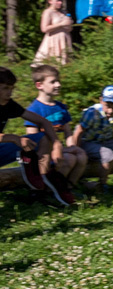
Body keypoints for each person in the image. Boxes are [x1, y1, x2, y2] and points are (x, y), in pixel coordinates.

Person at [0, 66, 77, 205]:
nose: (10, 92)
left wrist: (57, 143)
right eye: (5, 88)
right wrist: (14, 138)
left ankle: (41, 182)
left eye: (12, 88)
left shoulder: (8, 104)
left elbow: (43, 122)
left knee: (43, 137)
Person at [68, 85, 113, 196]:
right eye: (107, 106)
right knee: (107, 155)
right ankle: (103, 185)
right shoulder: (92, 113)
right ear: (101, 100)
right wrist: (76, 150)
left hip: (106, 140)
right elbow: (79, 132)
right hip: (87, 141)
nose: (110, 111)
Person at [25, 64, 89, 188]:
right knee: (70, 159)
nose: (58, 85)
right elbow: (32, 139)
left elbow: (68, 132)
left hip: (60, 150)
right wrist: (64, 150)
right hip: (43, 155)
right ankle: (51, 189)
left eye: (58, 81)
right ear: (40, 85)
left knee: (81, 156)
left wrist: (72, 147)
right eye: (53, 82)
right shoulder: (33, 110)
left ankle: (69, 187)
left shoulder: (61, 107)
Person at [34, 0, 74, 66]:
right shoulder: (48, 12)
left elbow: (69, 29)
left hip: (65, 39)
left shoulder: (64, 12)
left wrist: (69, 24)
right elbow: (44, 29)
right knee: (53, 63)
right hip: (53, 40)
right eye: (58, 1)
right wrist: (61, 24)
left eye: (61, 0)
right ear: (50, 1)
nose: (60, 3)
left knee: (66, 64)